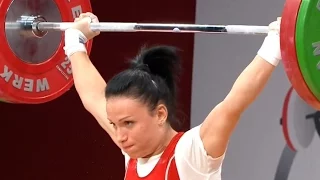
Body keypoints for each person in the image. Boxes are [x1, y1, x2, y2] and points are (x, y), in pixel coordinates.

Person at [63, 12, 281, 180]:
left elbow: (234, 103)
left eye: (128, 123)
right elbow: (93, 98)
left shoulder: (190, 153)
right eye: (115, 124)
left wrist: (275, 44)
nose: (119, 135)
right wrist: (74, 41)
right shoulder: (132, 153)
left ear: (160, 114)